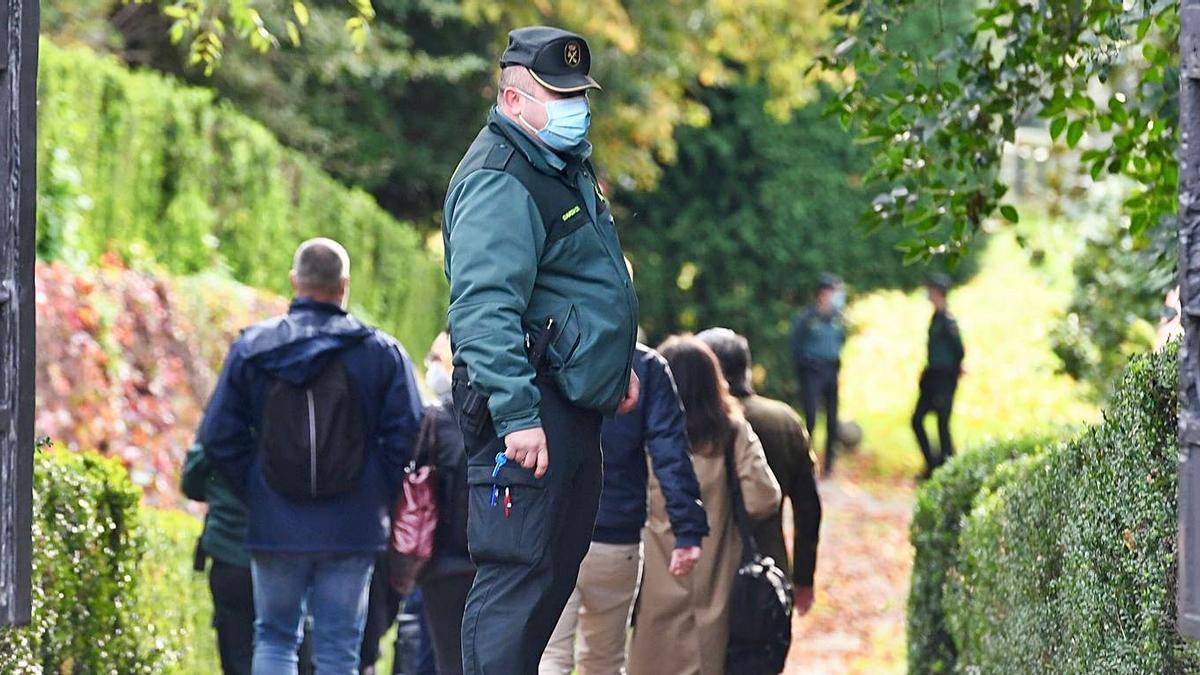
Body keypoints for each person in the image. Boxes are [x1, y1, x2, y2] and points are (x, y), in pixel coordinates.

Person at [441, 26, 640, 675]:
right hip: (528, 406)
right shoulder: (502, 177)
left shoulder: (555, 164)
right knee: (516, 582)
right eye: (559, 94)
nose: (574, 106)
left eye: (579, 93)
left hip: (568, 403)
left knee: (549, 576)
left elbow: (574, 290)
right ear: (513, 98)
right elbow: (482, 308)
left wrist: (612, 371)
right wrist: (518, 414)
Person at [199, 238, 424, 675]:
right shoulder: (381, 354)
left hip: (275, 524)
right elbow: (411, 434)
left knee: (275, 637)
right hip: (352, 527)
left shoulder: (253, 349)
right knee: (340, 647)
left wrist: (256, 485)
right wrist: (375, 488)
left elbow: (217, 435)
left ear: (294, 281)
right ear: (344, 285)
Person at [540, 341, 708, 675]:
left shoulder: (545, 352)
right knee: (605, 662)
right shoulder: (646, 367)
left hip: (551, 534)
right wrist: (687, 529)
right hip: (616, 540)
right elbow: (670, 452)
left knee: (550, 658)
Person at [628, 335, 781, 675]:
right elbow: (764, 497)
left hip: (652, 579)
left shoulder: (640, 433)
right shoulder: (733, 432)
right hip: (717, 578)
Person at [698, 327, 822, 615]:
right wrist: (804, 576)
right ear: (746, 369)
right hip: (768, 567)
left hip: (702, 571)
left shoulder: (691, 421)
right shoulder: (783, 420)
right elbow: (808, 506)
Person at [417, 331, 475, 675]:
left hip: (442, 563)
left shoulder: (435, 420)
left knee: (448, 662)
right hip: (492, 563)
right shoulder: (515, 418)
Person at [789, 273, 846, 476]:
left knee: (832, 419)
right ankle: (806, 461)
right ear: (823, 293)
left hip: (831, 370)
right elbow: (795, 344)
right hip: (812, 371)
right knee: (811, 417)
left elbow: (840, 341)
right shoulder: (808, 317)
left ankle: (829, 464)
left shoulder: (838, 318)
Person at [912, 273, 965, 476]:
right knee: (917, 420)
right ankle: (933, 463)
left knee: (943, 423)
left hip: (944, 378)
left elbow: (959, 350)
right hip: (932, 377)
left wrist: (954, 369)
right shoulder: (936, 318)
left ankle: (948, 467)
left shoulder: (947, 320)